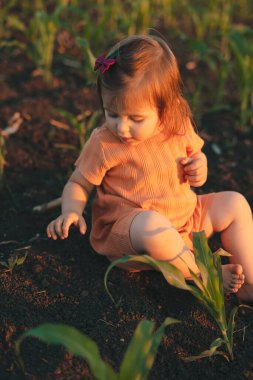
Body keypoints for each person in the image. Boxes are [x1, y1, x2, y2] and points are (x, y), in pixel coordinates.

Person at [47, 34, 253, 303]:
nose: (121, 127)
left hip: (184, 220)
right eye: (112, 114)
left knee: (235, 203)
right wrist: (71, 211)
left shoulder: (178, 122)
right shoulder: (104, 143)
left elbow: (196, 155)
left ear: (165, 109)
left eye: (136, 118)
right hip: (130, 233)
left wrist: (199, 167)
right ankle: (205, 275)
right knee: (151, 224)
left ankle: (248, 283)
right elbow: (78, 183)